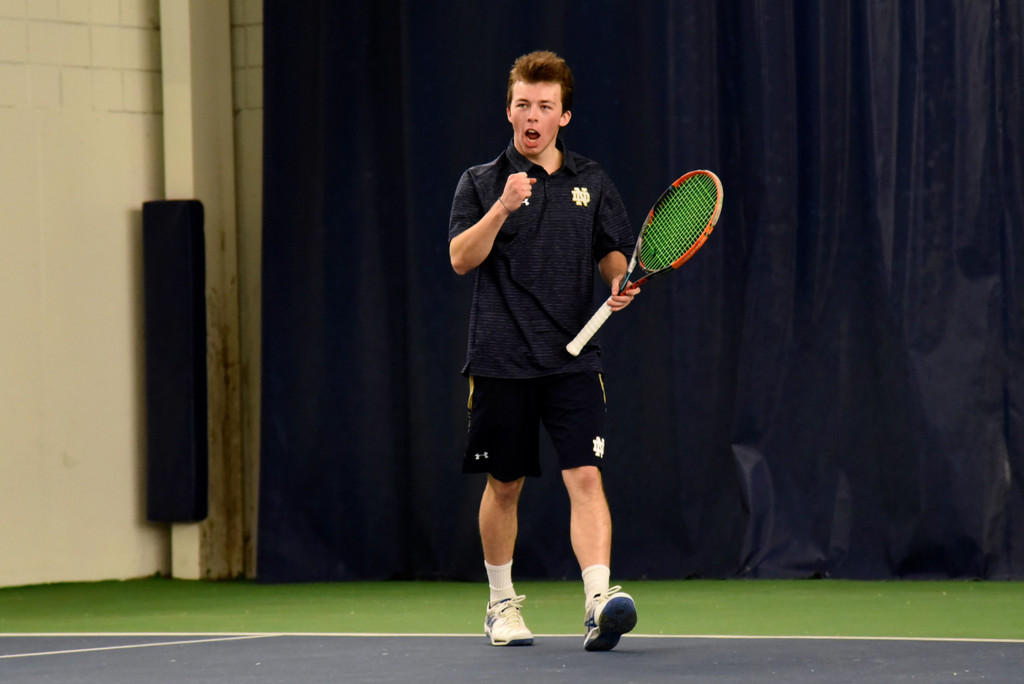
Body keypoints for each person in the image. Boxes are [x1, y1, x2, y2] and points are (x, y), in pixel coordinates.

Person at [448, 50, 639, 652]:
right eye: (523, 104)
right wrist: (503, 206)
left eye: (545, 106)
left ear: (565, 116)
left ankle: (599, 600)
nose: (533, 116)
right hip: (501, 359)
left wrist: (616, 278)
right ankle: (500, 603)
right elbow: (461, 259)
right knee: (505, 485)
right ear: (509, 110)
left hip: (574, 360)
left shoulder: (593, 181)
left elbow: (613, 250)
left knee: (585, 474)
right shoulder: (480, 182)